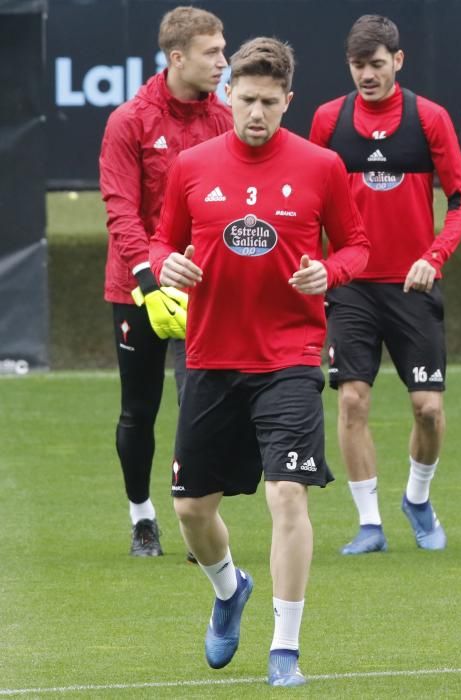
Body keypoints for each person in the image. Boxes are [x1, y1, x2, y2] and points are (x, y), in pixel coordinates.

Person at [150, 37, 369, 687]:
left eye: (269, 103)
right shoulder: (191, 165)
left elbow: (356, 247)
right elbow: (161, 240)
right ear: (227, 94)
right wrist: (169, 265)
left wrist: (324, 273)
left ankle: (285, 649)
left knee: (287, 496)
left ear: (287, 102)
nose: (255, 113)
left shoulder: (322, 165)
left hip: (291, 358)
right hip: (211, 357)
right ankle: (228, 589)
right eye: (245, 99)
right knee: (190, 509)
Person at [309, 14, 461, 555]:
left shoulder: (429, 119)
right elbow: (310, 208)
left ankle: (418, 498)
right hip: (350, 288)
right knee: (352, 399)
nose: (367, 76)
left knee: (428, 408)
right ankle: (369, 523)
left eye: (377, 64)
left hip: (412, 286)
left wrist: (435, 254)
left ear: (398, 61)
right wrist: (318, 270)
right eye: (358, 66)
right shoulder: (329, 121)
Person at [99, 6, 230, 557]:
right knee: (140, 408)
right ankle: (141, 518)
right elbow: (121, 210)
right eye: (212, 53)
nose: (223, 63)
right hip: (136, 286)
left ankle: (193, 516)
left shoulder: (223, 119)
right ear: (177, 58)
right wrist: (150, 281)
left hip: (200, 286)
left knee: (196, 402)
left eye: (223, 51)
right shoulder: (130, 120)